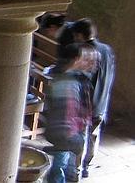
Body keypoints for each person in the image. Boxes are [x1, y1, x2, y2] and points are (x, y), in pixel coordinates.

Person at [71, 18, 116, 178]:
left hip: (86, 104)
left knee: (80, 138)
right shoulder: (107, 49)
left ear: (80, 36)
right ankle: (86, 168)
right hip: (101, 103)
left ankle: (74, 172)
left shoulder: (86, 53)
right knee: (93, 136)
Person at [44, 43, 96, 183]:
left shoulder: (72, 78)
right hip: (66, 134)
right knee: (60, 170)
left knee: (63, 167)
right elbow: (66, 111)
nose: (89, 62)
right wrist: (72, 134)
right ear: (75, 59)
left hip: (68, 133)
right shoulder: (67, 81)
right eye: (84, 58)